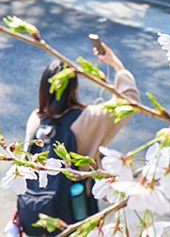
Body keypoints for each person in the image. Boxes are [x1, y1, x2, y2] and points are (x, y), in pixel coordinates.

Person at [14, 43, 139, 232]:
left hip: (36, 208)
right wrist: (116, 64)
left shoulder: (35, 118)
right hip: (77, 206)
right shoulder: (88, 119)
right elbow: (129, 101)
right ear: (74, 88)